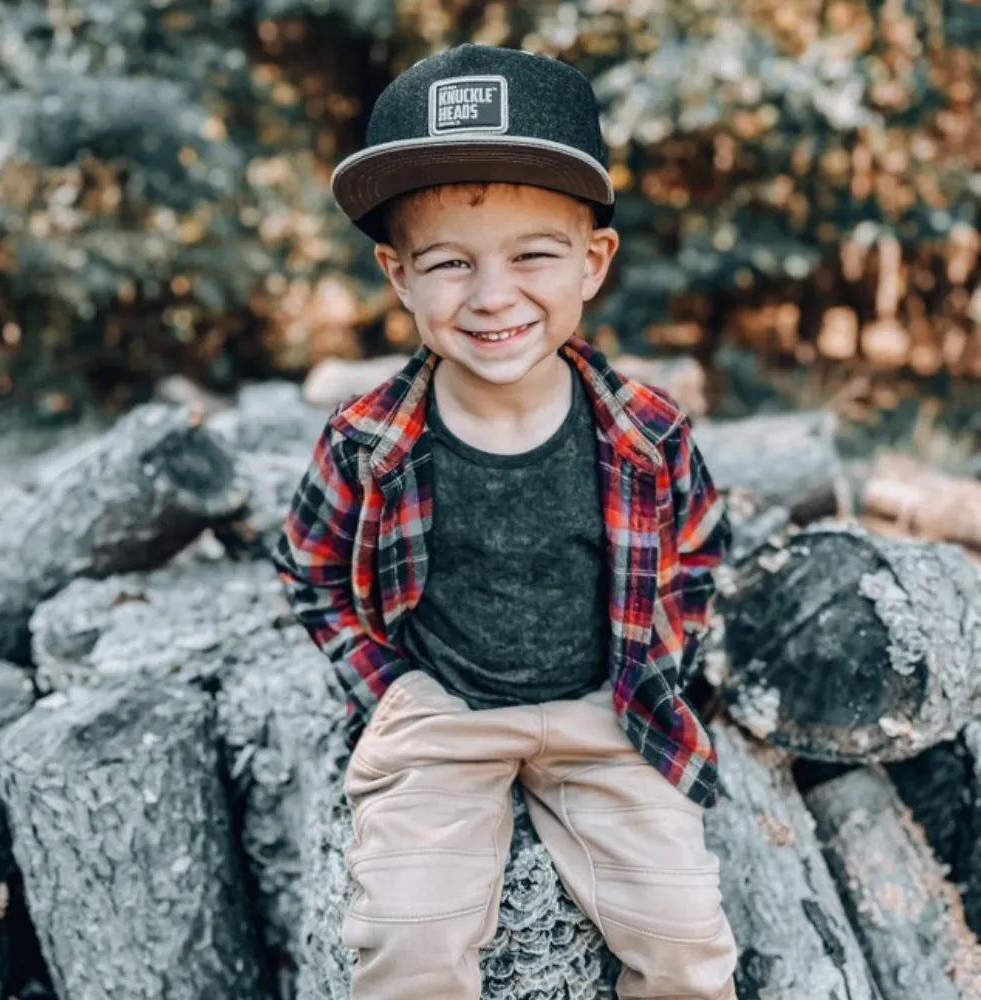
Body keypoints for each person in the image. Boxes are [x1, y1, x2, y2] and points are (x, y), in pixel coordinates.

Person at [273, 42, 738, 1000]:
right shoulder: (368, 443)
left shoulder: (647, 433)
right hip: (443, 714)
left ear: (594, 262)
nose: (492, 295)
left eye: (534, 254)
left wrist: (658, 661)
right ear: (398, 274)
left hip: (605, 712)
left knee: (685, 934)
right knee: (406, 937)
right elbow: (311, 570)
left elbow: (696, 552)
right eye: (449, 263)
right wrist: (394, 688)